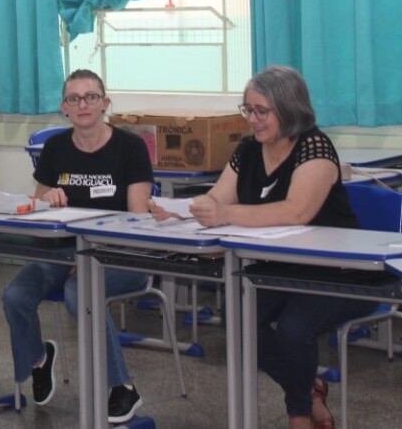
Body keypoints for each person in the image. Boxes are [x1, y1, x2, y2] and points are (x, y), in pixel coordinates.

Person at [152, 65, 375, 429]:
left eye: (261, 111)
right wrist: (181, 209)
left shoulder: (315, 147)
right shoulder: (248, 150)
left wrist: (225, 214)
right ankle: (307, 391)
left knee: (293, 329)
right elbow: (217, 198)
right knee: (237, 316)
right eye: (248, 110)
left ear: (289, 109)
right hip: (281, 266)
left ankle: (299, 415)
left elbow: (296, 212)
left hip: (339, 269)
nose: (252, 119)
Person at [1, 69, 152, 425]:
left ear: (105, 103)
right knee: (15, 295)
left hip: (120, 254)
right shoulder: (55, 148)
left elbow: (138, 221)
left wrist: (92, 256)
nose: (82, 105)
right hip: (63, 252)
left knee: (79, 291)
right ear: (64, 107)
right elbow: (37, 205)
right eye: (74, 98)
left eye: (91, 97)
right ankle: (39, 360)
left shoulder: (130, 147)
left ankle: (122, 386)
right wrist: (48, 198)